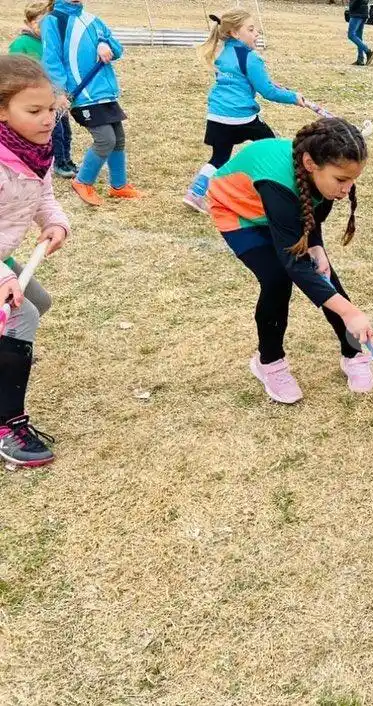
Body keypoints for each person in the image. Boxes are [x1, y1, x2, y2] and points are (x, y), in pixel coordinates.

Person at [205, 119, 373, 401]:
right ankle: (269, 362)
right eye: (341, 180)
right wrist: (350, 312)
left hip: (280, 212)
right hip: (238, 211)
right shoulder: (279, 183)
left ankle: (352, 353)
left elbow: (311, 213)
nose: (347, 189)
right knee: (277, 278)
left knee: (323, 274)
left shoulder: (323, 177)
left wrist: (317, 246)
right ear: (310, 163)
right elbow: (293, 263)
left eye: (352, 180)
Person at [0, 55, 70, 467]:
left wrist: (55, 223)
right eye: (34, 111)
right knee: (21, 315)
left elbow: (43, 197)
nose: (47, 120)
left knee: (36, 303)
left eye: (50, 109)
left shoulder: (33, 152)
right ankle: (7, 424)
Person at [184, 9, 309, 214]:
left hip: (216, 116)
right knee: (273, 146)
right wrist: (293, 97)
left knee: (219, 158)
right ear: (234, 33)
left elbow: (239, 82)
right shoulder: (251, 57)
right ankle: (282, 190)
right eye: (250, 30)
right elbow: (267, 92)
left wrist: (265, 83)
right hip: (241, 118)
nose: (256, 33)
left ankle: (195, 193)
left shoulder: (223, 53)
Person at [41, 0, 142, 207]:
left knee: (118, 139)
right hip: (82, 95)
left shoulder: (92, 20)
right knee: (105, 140)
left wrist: (104, 43)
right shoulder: (53, 21)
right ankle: (82, 182)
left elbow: (117, 49)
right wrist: (59, 92)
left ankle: (119, 186)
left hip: (105, 92)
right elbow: (52, 59)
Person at [9, 1, 77, 179]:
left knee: (65, 130)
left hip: (55, 96)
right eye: (39, 21)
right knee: (56, 132)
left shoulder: (51, 42)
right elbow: (15, 72)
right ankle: (59, 163)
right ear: (29, 22)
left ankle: (67, 159)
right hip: (39, 98)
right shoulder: (21, 44)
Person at [348, 0, 373, 66]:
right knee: (358, 36)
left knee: (351, 35)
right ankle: (360, 59)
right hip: (363, 12)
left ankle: (368, 51)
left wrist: (351, 7)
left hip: (357, 12)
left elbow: (355, 2)